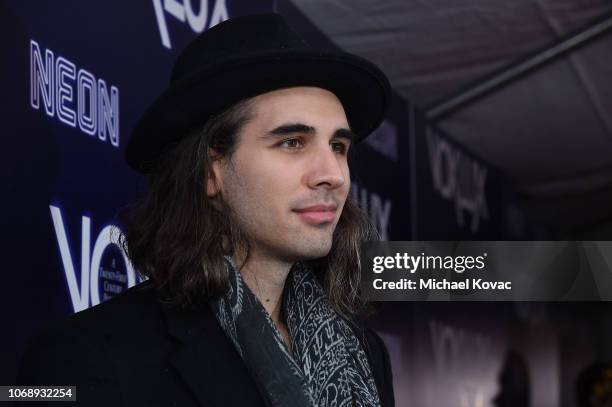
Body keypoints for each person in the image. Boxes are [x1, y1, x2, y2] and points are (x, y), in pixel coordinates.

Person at [17, 13, 394, 407]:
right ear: (210, 171)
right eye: (293, 143)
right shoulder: (85, 356)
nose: (332, 174)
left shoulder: (366, 355)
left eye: (338, 147)